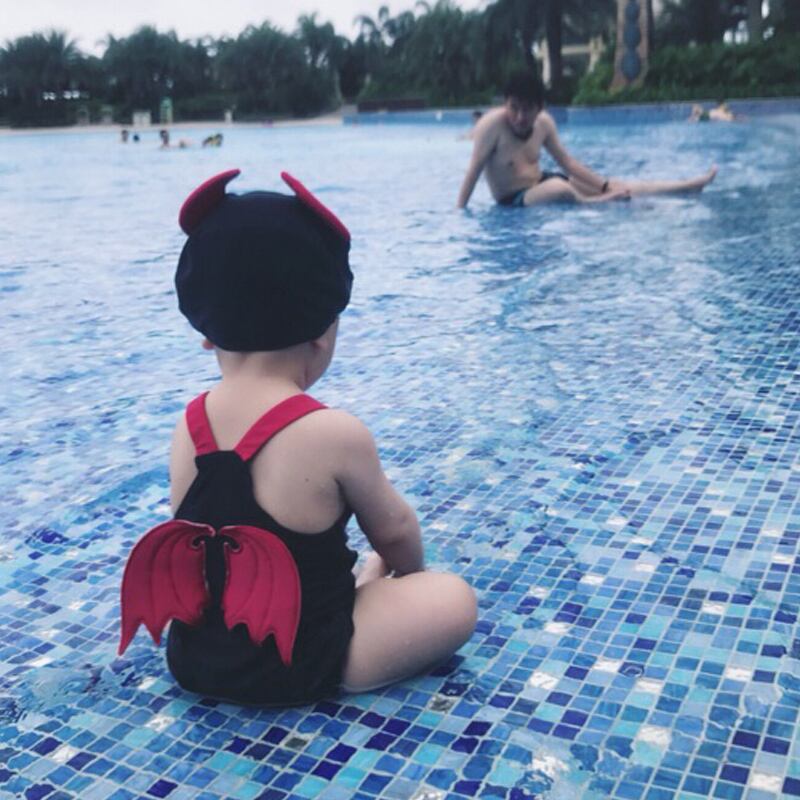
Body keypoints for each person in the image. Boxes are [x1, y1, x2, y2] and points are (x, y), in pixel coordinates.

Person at [118, 169, 477, 706]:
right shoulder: (333, 432)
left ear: (205, 333)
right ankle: (367, 604)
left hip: (194, 661)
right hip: (304, 663)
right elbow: (397, 532)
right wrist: (408, 580)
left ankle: (361, 592)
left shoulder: (188, 426)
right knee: (454, 599)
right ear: (324, 332)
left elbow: (200, 558)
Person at [457, 70, 717, 208]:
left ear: (540, 108)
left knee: (620, 186)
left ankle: (686, 187)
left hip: (542, 183)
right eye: (514, 108)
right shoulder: (491, 126)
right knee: (560, 189)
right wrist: (460, 211)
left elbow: (568, 163)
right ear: (505, 103)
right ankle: (597, 203)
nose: (520, 117)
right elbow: (473, 171)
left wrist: (604, 185)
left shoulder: (544, 123)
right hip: (514, 199)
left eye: (527, 109)